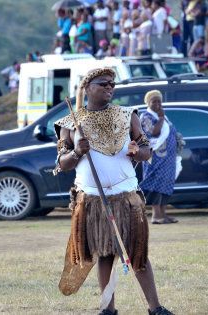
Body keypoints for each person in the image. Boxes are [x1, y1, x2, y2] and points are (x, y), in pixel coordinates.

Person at [54, 68, 172, 315]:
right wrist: (76, 152)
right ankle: (108, 309)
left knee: (137, 253)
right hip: (92, 198)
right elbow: (61, 164)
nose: (109, 87)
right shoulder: (71, 123)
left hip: (126, 195)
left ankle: (155, 308)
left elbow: (146, 151)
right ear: (87, 87)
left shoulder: (128, 115)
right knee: (105, 253)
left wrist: (135, 152)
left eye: (112, 84)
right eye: (103, 84)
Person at [140, 90, 180, 224]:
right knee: (156, 184)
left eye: (159, 101)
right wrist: (161, 118)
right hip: (155, 158)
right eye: (154, 101)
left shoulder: (162, 117)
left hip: (167, 159)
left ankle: (163, 214)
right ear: (148, 103)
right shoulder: (146, 117)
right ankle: (156, 215)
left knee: (166, 184)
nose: (157, 104)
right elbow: (154, 132)